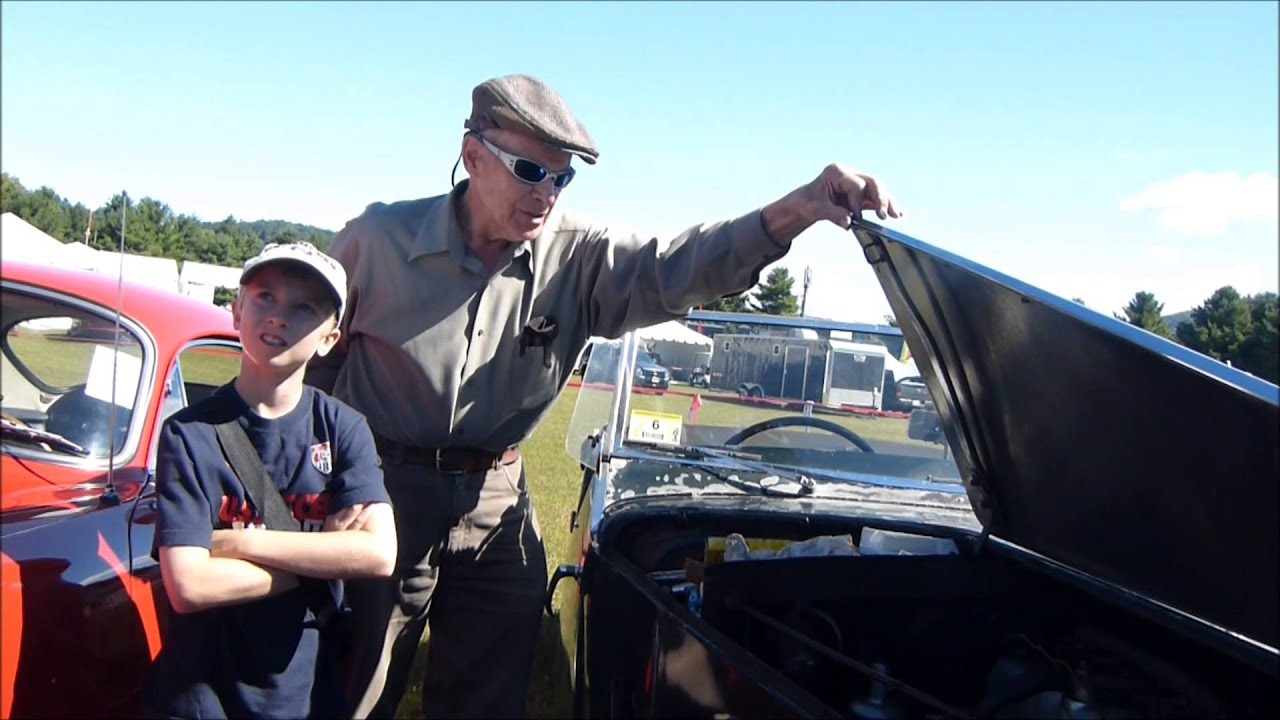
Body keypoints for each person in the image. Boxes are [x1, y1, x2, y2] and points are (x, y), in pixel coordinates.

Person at [305, 73, 902, 719]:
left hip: (495, 498)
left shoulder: (577, 255)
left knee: (487, 697)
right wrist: (325, 483)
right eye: (530, 171)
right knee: (353, 687)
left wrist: (799, 208)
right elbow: (314, 366)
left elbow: (675, 268)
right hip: (383, 487)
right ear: (473, 155)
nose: (546, 194)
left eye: (561, 179)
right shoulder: (377, 240)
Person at [144, 242, 398, 719]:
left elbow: (379, 553)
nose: (279, 317)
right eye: (265, 297)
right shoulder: (189, 434)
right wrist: (323, 555)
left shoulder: (343, 429)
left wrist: (240, 544)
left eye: (304, 308)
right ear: (237, 310)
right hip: (203, 697)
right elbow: (190, 585)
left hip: (304, 696)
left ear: (330, 339)